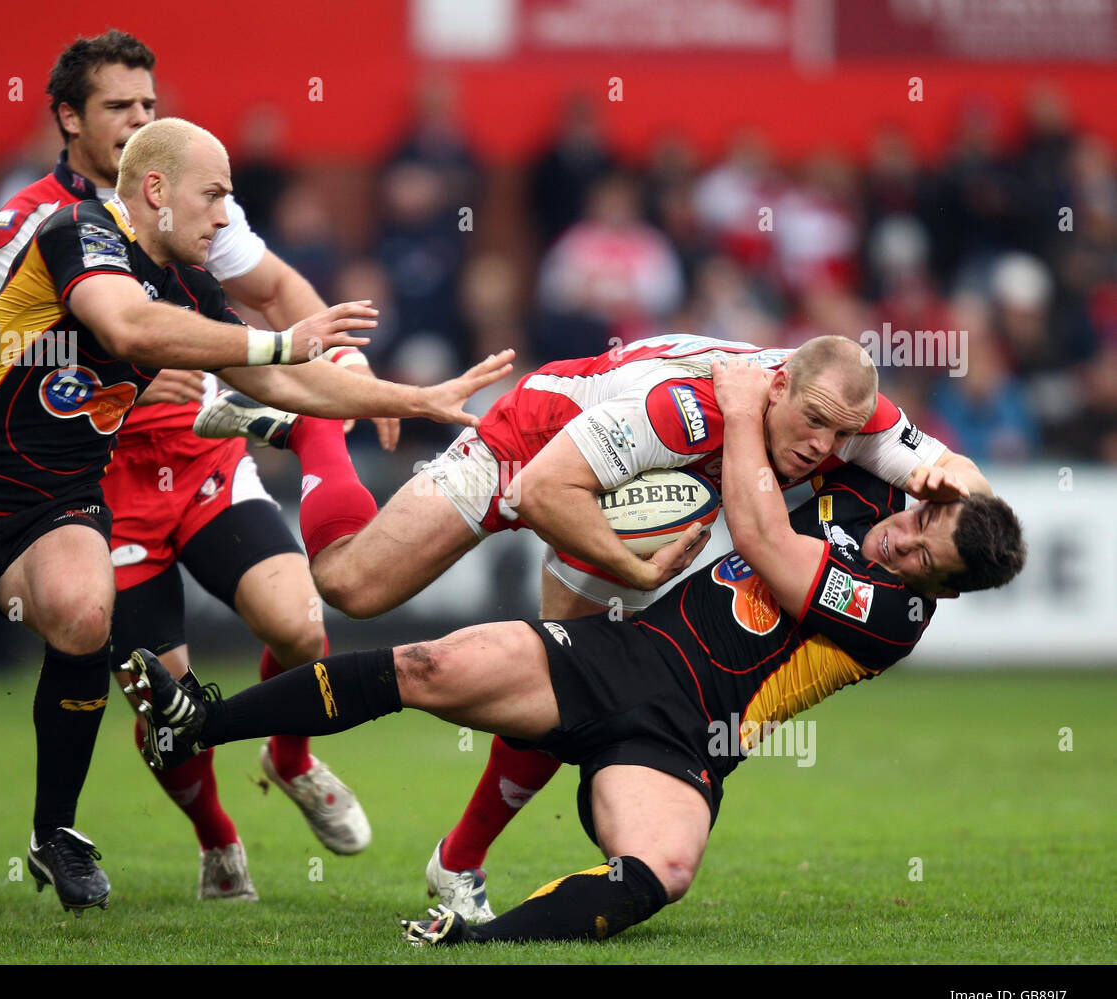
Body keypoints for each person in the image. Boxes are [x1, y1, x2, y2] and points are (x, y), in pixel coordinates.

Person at [125, 357, 1026, 944]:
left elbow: (773, 529)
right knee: (375, 611)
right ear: (784, 386)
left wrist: (751, 439)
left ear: (938, 591)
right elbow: (554, 492)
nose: (900, 538)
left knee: (665, 872)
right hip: (553, 449)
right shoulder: (713, 410)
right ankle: (205, 710)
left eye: (921, 560)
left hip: (690, 734)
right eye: (916, 521)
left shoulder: (893, 609)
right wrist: (637, 558)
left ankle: (468, 921)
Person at [0, 116, 514, 929]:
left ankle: (55, 831)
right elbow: (128, 329)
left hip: (57, 500)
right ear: (154, 192)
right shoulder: (78, 233)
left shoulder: (193, 290)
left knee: (83, 608)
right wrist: (282, 342)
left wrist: (412, 401)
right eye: (213, 196)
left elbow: (289, 387)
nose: (223, 216)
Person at [0, 30, 398, 902]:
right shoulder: (24, 225)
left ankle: (292, 760)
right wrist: (110, 359)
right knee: (169, 706)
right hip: (99, 487)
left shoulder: (191, 196)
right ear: (68, 117)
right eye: (118, 108)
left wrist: (351, 376)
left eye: (149, 106)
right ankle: (217, 839)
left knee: (298, 623)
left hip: (203, 452)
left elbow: (277, 292)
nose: (138, 122)